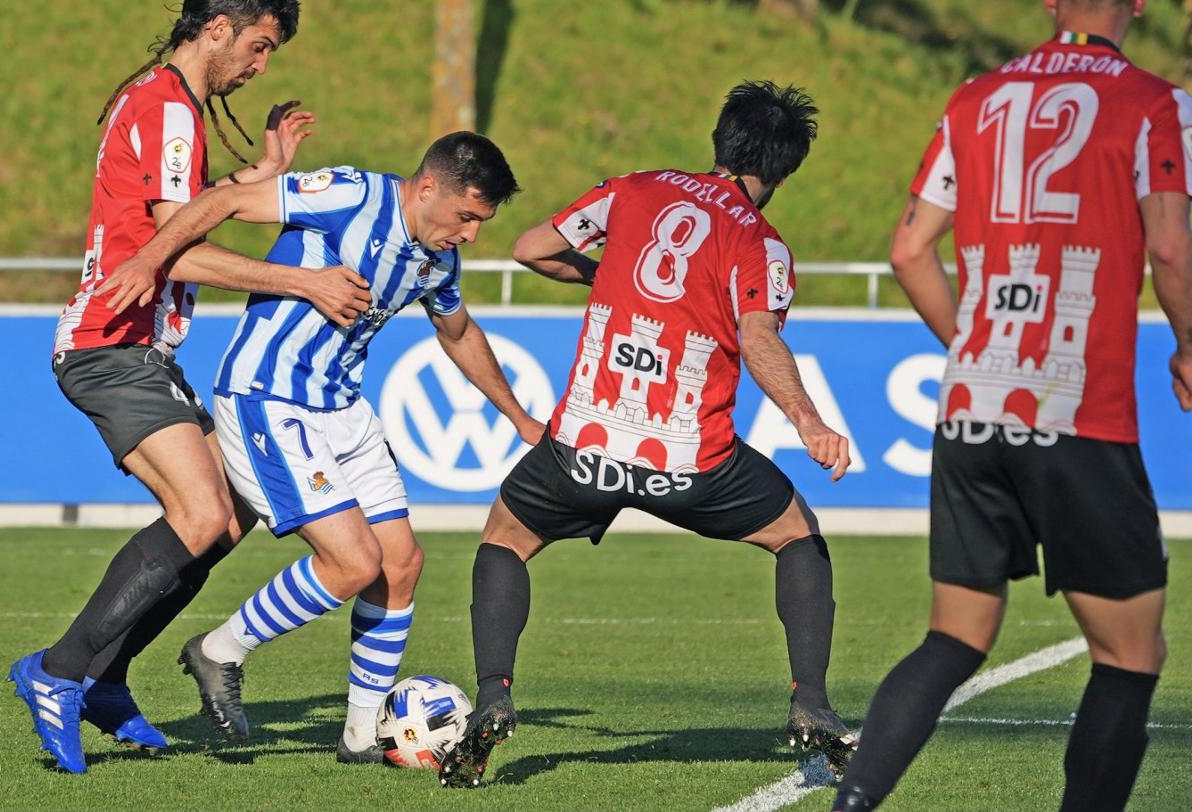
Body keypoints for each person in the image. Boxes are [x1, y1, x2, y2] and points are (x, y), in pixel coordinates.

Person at [437, 81, 856, 789]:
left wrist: (612, 277)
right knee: (796, 535)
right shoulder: (760, 240)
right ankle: (810, 704)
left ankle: (494, 695)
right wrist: (808, 421)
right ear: (783, 171)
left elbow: (531, 248)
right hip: (691, 462)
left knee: (505, 539)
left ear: (719, 140)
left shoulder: (635, 188)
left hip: (585, 446)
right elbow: (758, 339)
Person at [832, 1, 1191, 809]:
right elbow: (1170, 244)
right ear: (1137, 4)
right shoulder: (1151, 101)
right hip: (1075, 407)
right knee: (1130, 653)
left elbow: (908, 248)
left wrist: (975, 344)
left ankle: (851, 804)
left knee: (955, 635)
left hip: (973, 403)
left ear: (1050, 2)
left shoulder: (974, 97)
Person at [8, 0, 372, 775]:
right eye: (259, 45)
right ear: (217, 28)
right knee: (202, 511)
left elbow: (175, 218)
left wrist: (259, 177)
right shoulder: (169, 107)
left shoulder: (167, 104)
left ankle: (104, 677)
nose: (260, 65)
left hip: (141, 349)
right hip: (112, 344)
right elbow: (170, 250)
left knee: (228, 518)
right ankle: (60, 670)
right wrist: (302, 281)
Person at [107, 131, 545, 762]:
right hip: (270, 398)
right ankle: (218, 650)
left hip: (344, 411)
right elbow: (226, 204)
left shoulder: (436, 261)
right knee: (351, 563)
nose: (471, 234)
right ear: (428, 188)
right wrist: (153, 257)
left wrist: (520, 418)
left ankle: (360, 735)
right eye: (467, 216)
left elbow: (458, 332)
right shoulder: (350, 193)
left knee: (400, 566)